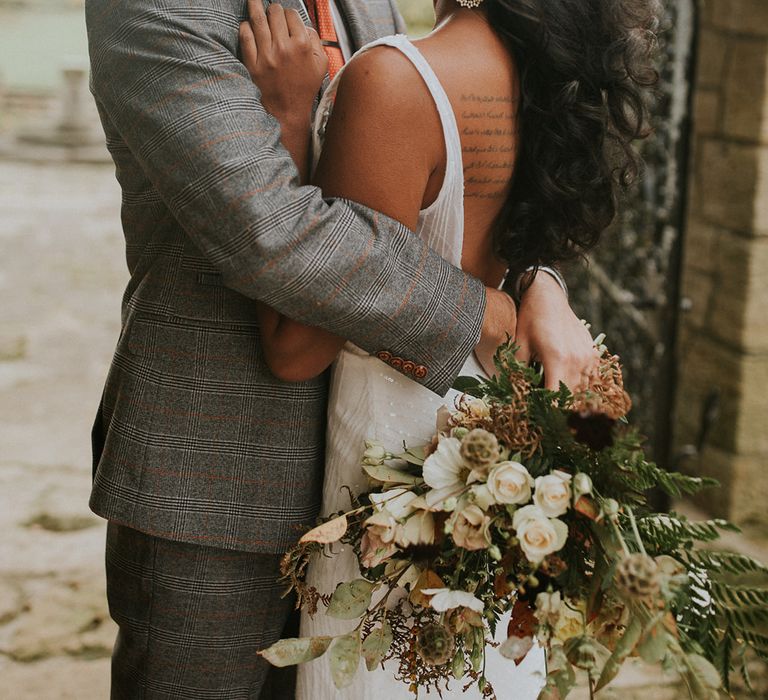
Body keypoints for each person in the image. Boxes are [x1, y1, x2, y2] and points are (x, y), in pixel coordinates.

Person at [85, 0, 600, 695]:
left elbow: (420, 194)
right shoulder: (155, 8)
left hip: (380, 492)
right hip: (215, 488)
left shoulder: (368, 3)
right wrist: (488, 314)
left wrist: (541, 283)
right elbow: (274, 230)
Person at [239, 0, 659, 697]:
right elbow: (518, 257)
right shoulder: (551, 80)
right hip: (501, 450)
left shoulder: (396, 80)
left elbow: (294, 347)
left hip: (399, 467)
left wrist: (283, 119)